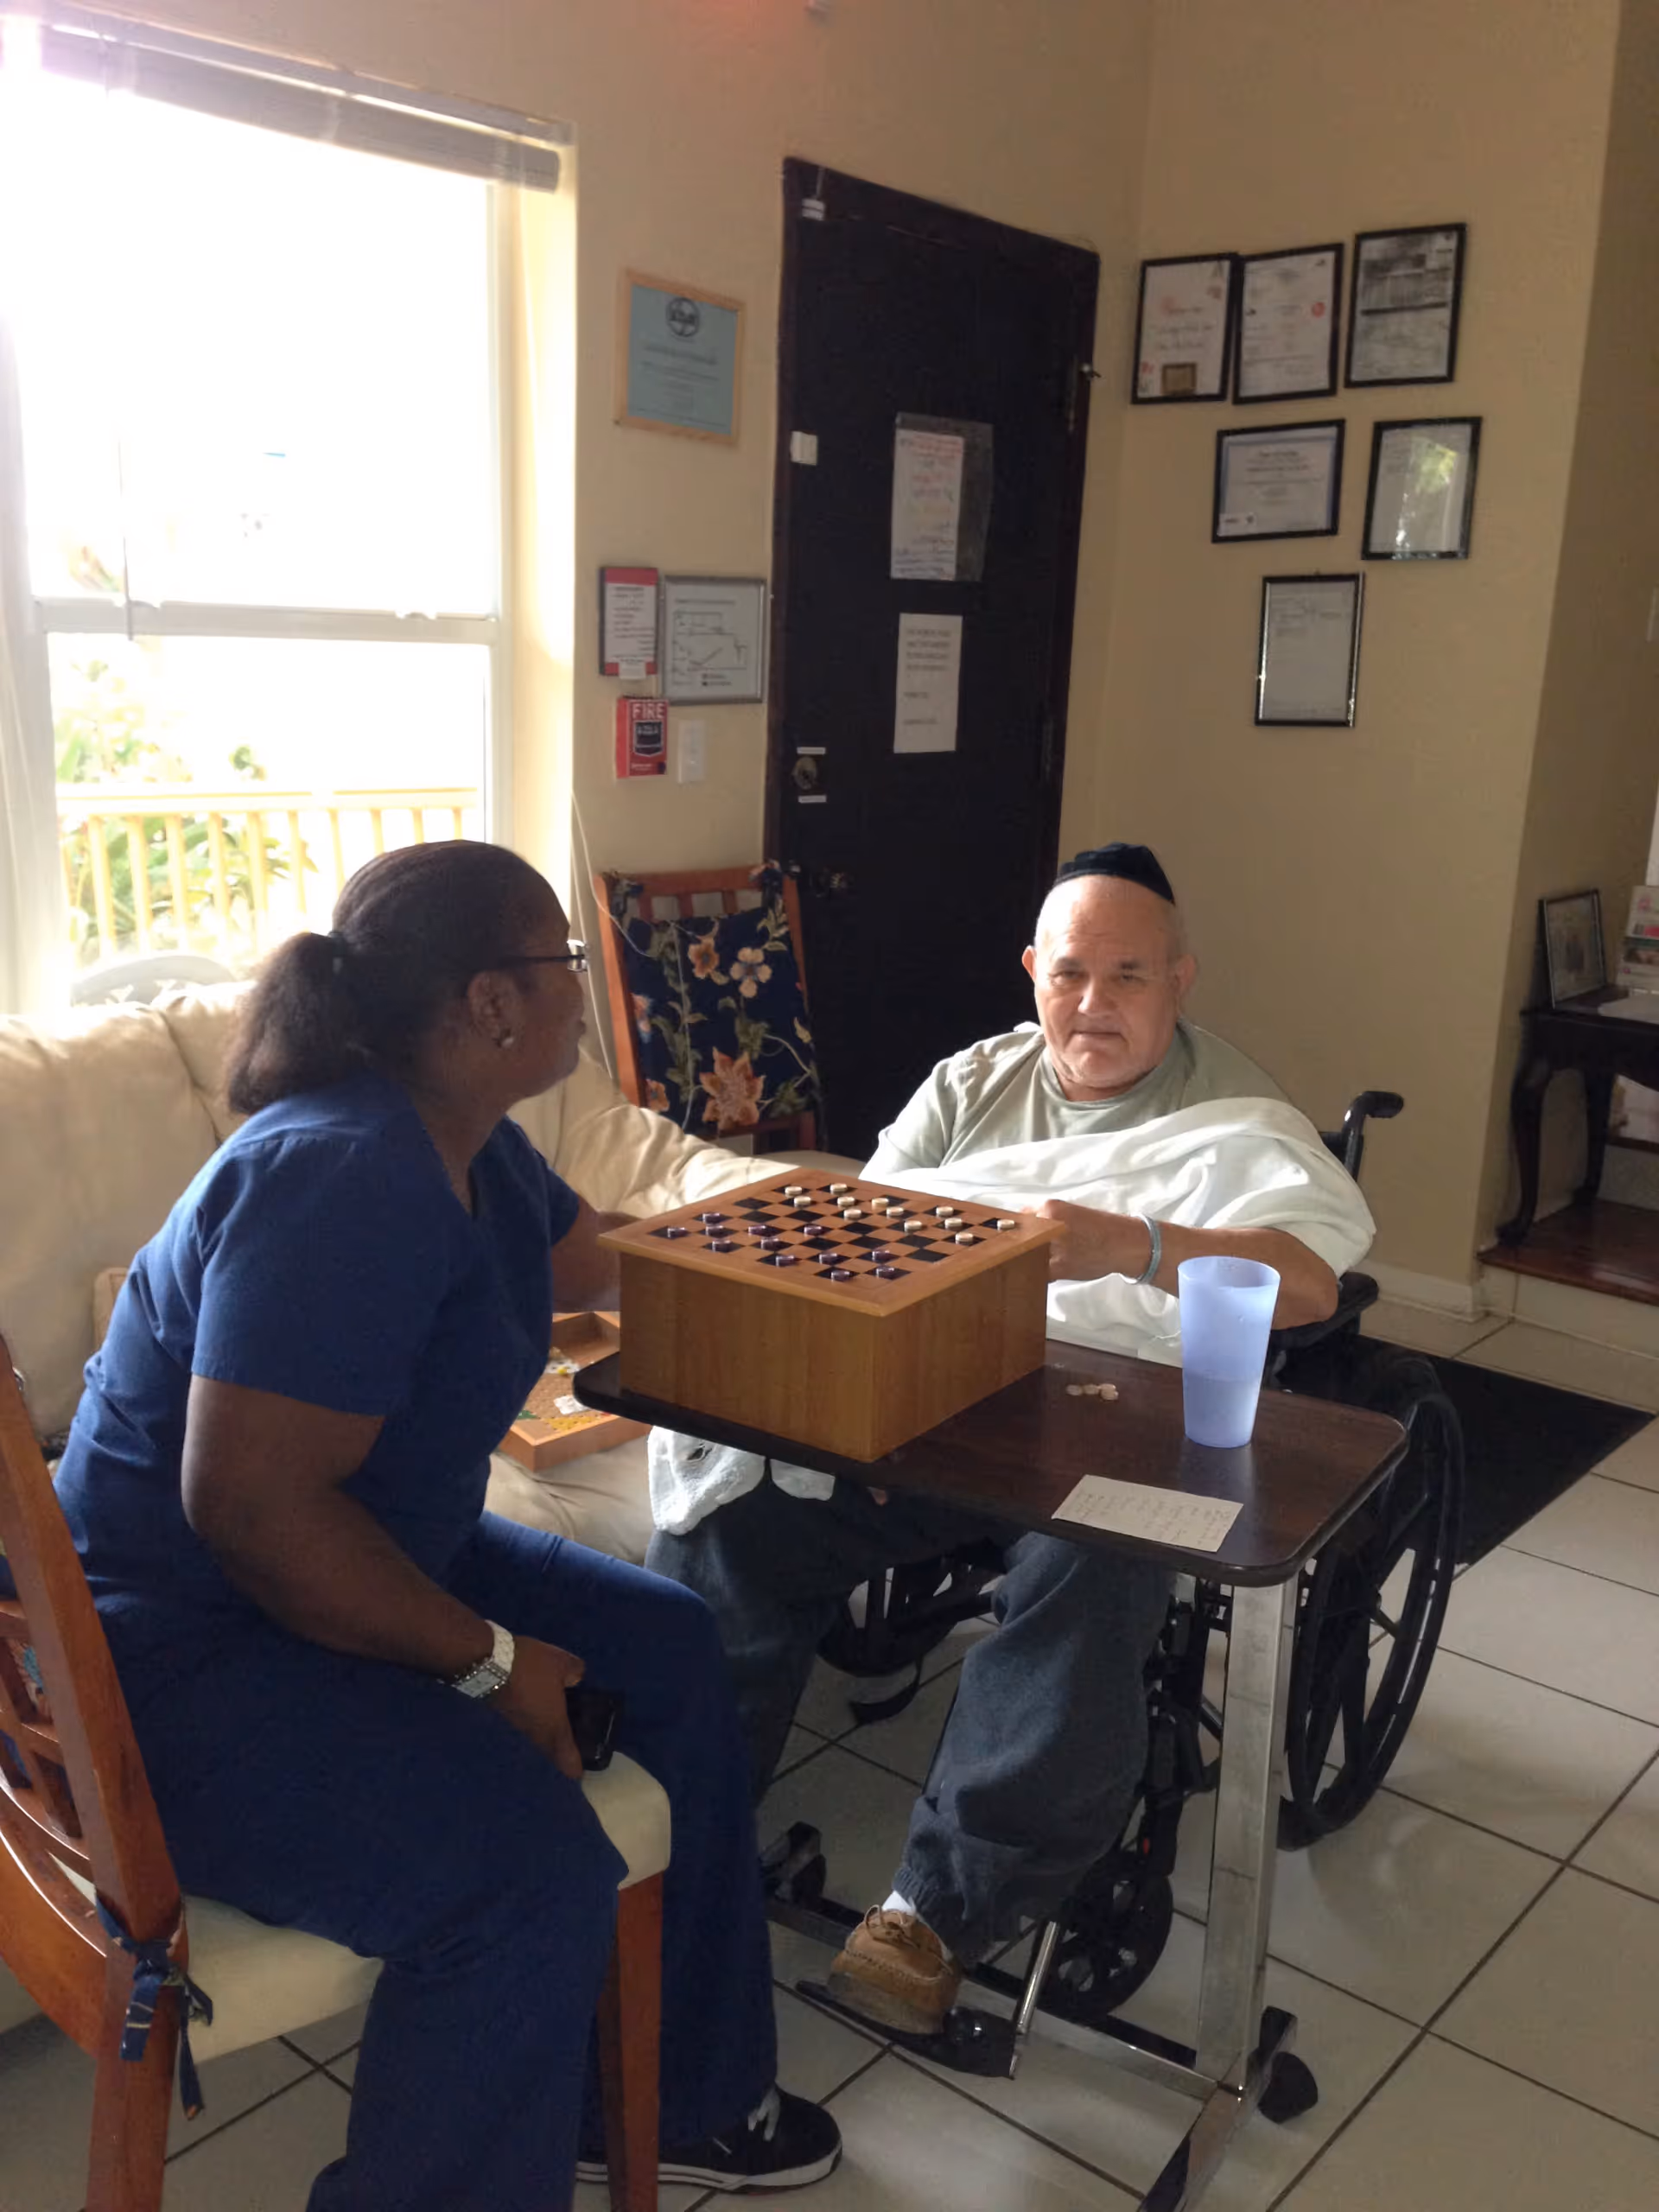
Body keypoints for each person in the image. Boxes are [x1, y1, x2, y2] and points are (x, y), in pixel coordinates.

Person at [51, 841, 841, 2212]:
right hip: (183, 1654)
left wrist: (800, 1235)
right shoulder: (340, 1176)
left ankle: (677, 2092)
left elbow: (600, 1257)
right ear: (489, 1003)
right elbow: (245, 1511)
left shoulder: (466, 1141)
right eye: (567, 967)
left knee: (662, 1641)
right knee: (526, 1875)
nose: (587, 992)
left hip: (363, 1550)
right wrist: (489, 1658)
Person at [645, 842, 1375, 2036]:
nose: (1094, 1005)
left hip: (1118, 1419)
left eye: (1128, 977)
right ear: (1034, 970)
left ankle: (939, 1910)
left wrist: (1130, 1247)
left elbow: (1303, 1282)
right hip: (935, 1401)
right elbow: (868, 1233)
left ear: (1181, 981)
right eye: (1072, 973)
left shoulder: (1236, 1114)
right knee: (738, 1522)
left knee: (1097, 1573)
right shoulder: (971, 1083)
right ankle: (673, 1825)